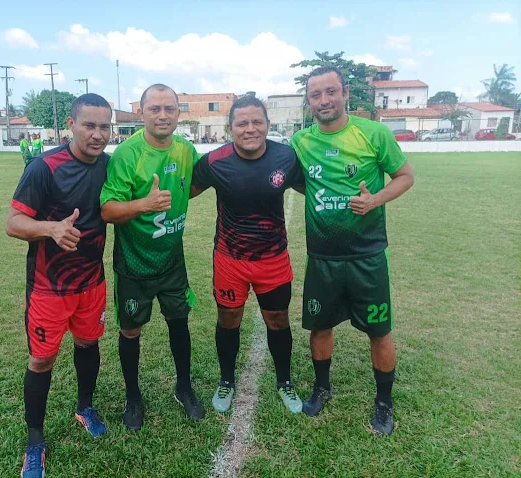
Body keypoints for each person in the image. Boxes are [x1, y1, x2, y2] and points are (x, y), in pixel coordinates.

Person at [290, 66, 414, 435]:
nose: (324, 100)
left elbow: (405, 176)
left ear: (345, 93)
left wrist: (374, 199)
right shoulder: (301, 141)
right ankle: (321, 388)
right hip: (323, 257)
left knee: (379, 331)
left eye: (331, 91)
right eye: (316, 94)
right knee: (320, 326)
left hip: (367, 256)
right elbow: (300, 182)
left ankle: (384, 403)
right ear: (309, 101)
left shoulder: (374, 133)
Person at [5, 93, 113, 477]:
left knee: (88, 344)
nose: (97, 134)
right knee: (41, 359)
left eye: (104, 126)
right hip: (48, 287)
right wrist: (50, 228)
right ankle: (35, 441)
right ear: (70, 125)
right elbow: (13, 223)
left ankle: (84, 407)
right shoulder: (44, 167)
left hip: (92, 282)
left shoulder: (110, 166)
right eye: (89, 125)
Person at [191, 96, 305, 414]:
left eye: (257, 122)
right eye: (242, 123)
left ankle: (284, 381)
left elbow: (312, 187)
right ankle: (226, 380)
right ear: (230, 128)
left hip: (273, 260)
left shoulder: (286, 157)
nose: (250, 129)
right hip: (230, 260)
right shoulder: (214, 161)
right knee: (229, 319)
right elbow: (184, 191)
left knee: (278, 319)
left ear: (268, 125)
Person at [100, 83, 204, 432]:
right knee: (131, 331)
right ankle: (133, 397)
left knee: (179, 321)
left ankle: (184, 387)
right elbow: (108, 209)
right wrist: (145, 204)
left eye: (169, 108)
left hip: (172, 260)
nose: (163, 115)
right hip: (134, 263)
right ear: (141, 112)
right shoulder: (127, 154)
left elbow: (195, 184)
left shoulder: (186, 150)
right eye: (155, 109)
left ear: (178, 113)